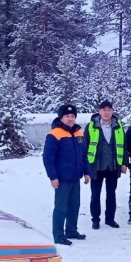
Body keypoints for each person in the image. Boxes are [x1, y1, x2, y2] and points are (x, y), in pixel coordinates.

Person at [43, 104, 90, 245]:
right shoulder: (54, 134)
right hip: (62, 179)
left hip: (75, 177)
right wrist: (53, 176)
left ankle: (71, 230)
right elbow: (48, 158)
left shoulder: (79, 134)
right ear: (61, 117)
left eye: (72, 116)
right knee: (61, 207)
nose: (70, 119)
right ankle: (58, 235)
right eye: (67, 116)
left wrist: (87, 172)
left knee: (74, 206)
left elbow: (84, 155)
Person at [85, 99, 127, 229]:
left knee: (111, 194)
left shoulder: (118, 126)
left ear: (113, 111)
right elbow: (85, 146)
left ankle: (110, 219)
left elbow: (124, 145)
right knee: (95, 195)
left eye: (109, 110)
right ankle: (95, 220)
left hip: (113, 166)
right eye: (104, 110)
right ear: (99, 111)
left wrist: (124, 162)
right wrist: (85, 167)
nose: (107, 113)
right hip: (96, 166)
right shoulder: (91, 126)